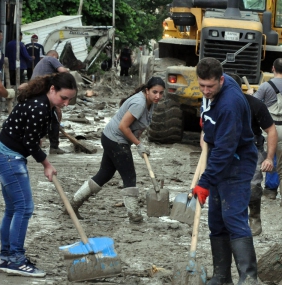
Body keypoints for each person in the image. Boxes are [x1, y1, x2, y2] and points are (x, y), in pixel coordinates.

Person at [0, 73, 77, 277]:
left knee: (13, 208)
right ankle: (15, 259)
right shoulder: (39, 107)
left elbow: (31, 136)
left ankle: (5, 255)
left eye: (70, 99)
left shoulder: (46, 105)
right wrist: (46, 164)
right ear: (52, 89)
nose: (66, 103)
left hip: (6, 153)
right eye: (64, 98)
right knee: (24, 208)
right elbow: (29, 142)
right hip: (9, 157)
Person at [192, 58, 258, 284]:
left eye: (210, 86)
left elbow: (225, 149)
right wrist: (207, 120)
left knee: (233, 217)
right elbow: (211, 117)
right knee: (217, 220)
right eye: (201, 86)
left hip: (237, 161)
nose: (205, 90)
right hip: (221, 159)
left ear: (221, 80)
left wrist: (205, 181)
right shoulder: (213, 87)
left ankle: (248, 278)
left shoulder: (230, 104)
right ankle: (222, 276)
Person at [68, 77, 165, 223]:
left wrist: (138, 143)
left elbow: (139, 126)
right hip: (115, 139)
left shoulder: (152, 103)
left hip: (111, 137)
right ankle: (135, 216)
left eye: (161, 93)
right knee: (129, 176)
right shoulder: (139, 103)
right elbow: (123, 126)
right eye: (155, 92)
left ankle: (72, 206)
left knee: (104, 174)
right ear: (147, 91)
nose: (158, 96)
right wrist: (138, 144)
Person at [228, 72, 277, 236]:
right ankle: (233, 220)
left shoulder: (255, 105)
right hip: (227, 149)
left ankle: (254, 217)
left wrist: (269, 158)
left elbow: (271, 130)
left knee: (253, 185)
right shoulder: (217, 104)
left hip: (252, 149)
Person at [253, 58, 282, 207]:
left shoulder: (265, 86)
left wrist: (249, 93)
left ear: (272, 68)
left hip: (267, 128)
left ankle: (260, 193)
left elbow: (255, 108)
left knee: (261, 160)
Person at [31, 50, 70, 154]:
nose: (57, 60)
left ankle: (34, 142)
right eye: (57, 58)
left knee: (39, 118)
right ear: (54, 55)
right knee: (54, 116)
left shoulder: (40, 64)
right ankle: (54, 146)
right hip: (43, 92)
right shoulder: (51, 59)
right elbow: (63, 71)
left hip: (34, 92)